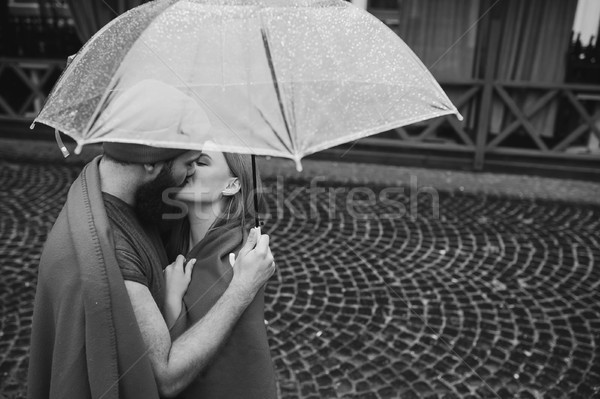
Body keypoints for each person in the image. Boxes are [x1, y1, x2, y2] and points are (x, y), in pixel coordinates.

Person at [27, 80, 276, 399]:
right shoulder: (114, 249)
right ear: (151, 165)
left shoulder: (147, 207)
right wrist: (242, 287)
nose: (189, 174)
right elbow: (166, 375)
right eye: (189, 163)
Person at [163, 150, 277, 399]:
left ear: (232, 184)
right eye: (189, 160)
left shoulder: (233, 259)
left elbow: (176, 363)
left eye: (202, 162)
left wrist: (171, 301)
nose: (190, 167)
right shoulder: (176, 238)